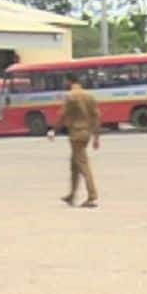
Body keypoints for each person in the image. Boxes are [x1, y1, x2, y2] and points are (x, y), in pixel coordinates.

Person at [48, 73, 101, 208]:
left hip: (76, 134)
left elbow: (62, 115)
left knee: (83, 165)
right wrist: (96, 137)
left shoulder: (71, 96)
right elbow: (96, 116)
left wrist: (54, 130)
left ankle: (92, 196)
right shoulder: (89, 96)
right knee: (74, 165)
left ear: (69, 81)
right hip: (86, 133)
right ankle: (71, 195)